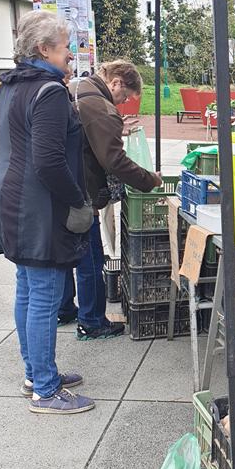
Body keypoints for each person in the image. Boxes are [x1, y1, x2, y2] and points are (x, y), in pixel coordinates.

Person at [0, 10, 95, 414]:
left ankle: (36, 372)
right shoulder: (49, 92)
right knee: (43, 294)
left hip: (6, 199)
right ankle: (45, 391)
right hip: (38, 206)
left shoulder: (6, 89)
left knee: (28, 288)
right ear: (44, 49)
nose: (71, 54)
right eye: (66, 47)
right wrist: (78, 200)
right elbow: (48, 161)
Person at [63, 60, 162, 340]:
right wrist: (149, 180)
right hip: (84, 191)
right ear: (116, 82)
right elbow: (114, 160)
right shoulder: (102, 107)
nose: (124, 103)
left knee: (66, 258)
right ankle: (92, 321)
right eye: (125, 96)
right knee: (91, 258)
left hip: (66, 187)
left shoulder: (78, 88)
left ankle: (65, 309)